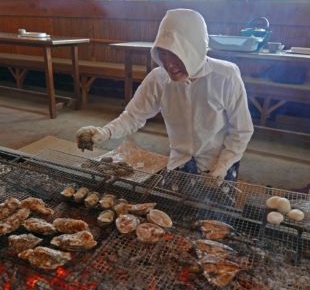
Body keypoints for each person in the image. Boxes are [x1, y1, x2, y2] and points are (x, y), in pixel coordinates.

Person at [76, 9, 254, 187]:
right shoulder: (158, 79)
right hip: (180, 161)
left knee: (218, 213)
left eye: (176, 54)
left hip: (219, 161)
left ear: (195, 50)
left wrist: (222, 167)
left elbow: (241, 130)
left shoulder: (225, 77)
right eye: (163, 52)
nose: (168, 64)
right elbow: (133, 116)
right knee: (170, 207)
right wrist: (105, 132)